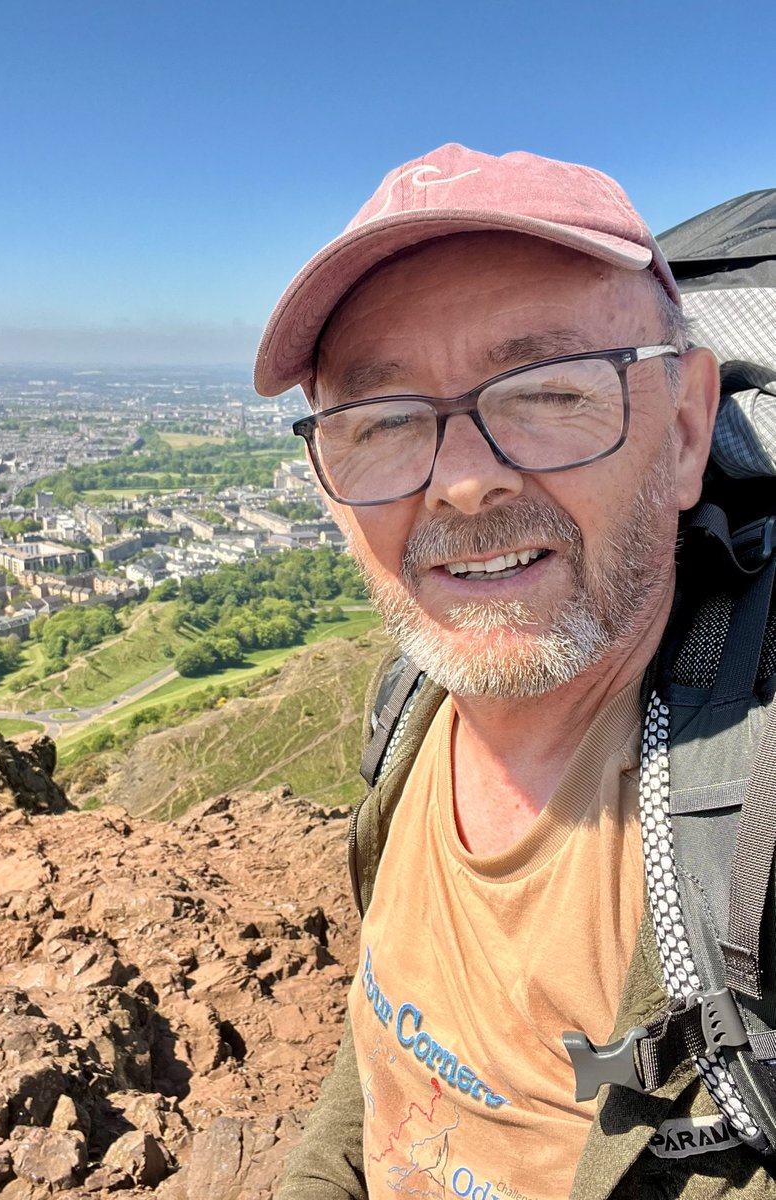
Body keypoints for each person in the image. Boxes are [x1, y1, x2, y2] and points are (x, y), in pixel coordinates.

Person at [254, 144, 776, 1197]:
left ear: (684, 429)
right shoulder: (409, 714)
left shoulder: (748, 816)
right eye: (382, 420)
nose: (463, 481)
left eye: (546, 391)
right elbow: (391, 1041)